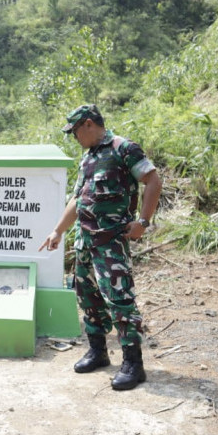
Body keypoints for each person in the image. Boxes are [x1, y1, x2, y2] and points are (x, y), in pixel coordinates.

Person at [39, 104, 162, 391]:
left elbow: (153, 180)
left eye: (75, 132)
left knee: (120, 301)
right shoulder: (88, 158)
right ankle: (98, 351)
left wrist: (143, 221)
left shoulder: (123, 149)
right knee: (88, 298)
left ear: (89, 124)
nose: (74, 138)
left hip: (111, 242)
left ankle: (133, 363)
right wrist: (58, 230)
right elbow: (77, 199)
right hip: (85, 242)